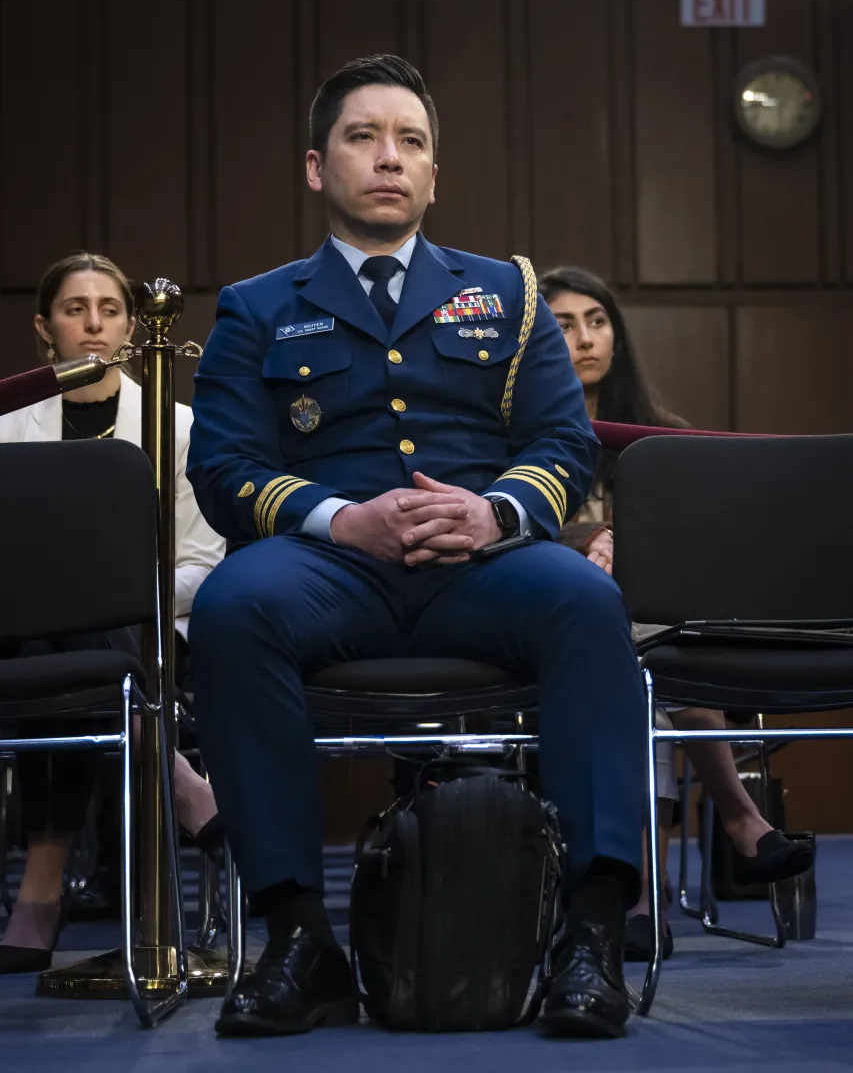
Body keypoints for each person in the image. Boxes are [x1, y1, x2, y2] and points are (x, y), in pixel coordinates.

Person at [187, 54, 647, 1040]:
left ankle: (592, 935)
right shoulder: (255, 304)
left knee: (585, 600)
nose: (388, 157)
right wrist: (336, 516)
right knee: (230, 606)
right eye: (363, 136)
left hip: (481, 566)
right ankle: (297, 939)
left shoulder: (509, 295)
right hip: (327, 568)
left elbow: (563, 444)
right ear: (317, 167)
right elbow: (223, 468)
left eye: (411, 141)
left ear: (435, 175)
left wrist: (495, 512)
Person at [539, 265, 814, 959]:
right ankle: (736, 820)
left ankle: (639, 894)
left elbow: (700, 548)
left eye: (596, 322)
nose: (584, 338)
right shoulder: (519, 439)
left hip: (655, 634)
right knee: (636, 661)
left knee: (646, 667)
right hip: (550, 635)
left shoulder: (661, 438)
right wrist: (583, 540)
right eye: (564, 324)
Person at [0, 252, 226, 973]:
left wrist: (123, 590)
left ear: (133, 326)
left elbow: (202, 560)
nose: (93, 324)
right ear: (45, 329)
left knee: (77, 637)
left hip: (151, 629)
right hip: (32, 632)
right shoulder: (7, 427)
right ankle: (177, 773)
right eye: (74, 310)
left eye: (109, 309)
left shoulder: (180, 425)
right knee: (47, 633)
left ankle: (39, 891)